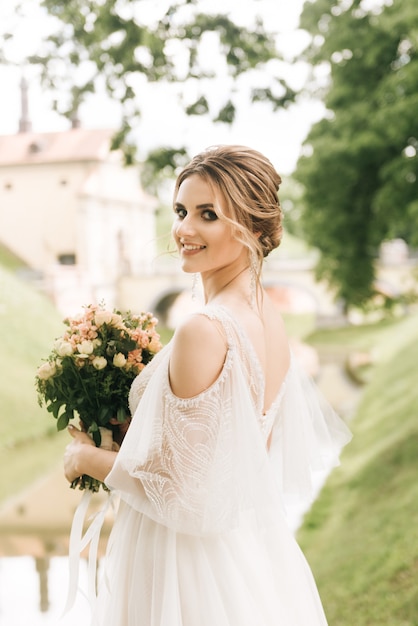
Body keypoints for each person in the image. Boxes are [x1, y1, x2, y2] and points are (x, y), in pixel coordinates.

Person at [64, 144, 352, 626]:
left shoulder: (205, 328)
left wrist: (86, 458)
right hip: (241, 555)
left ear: (253, 229)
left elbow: (186, 497)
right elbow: (234, 455)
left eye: (208, 215)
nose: (184, 230)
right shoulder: (267, 316)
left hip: (183, 570)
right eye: (181, 211)